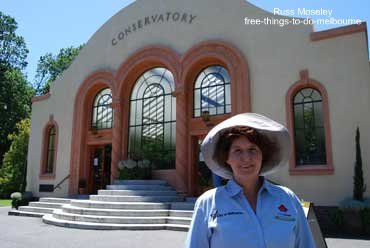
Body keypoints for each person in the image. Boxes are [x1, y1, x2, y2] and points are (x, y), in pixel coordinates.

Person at [185, 113, 316, 248]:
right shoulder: (207, 203)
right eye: (237, 151)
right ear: (227, 158)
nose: (246, 158)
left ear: (262, 156)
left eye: (252, 150)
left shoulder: (287, 198)